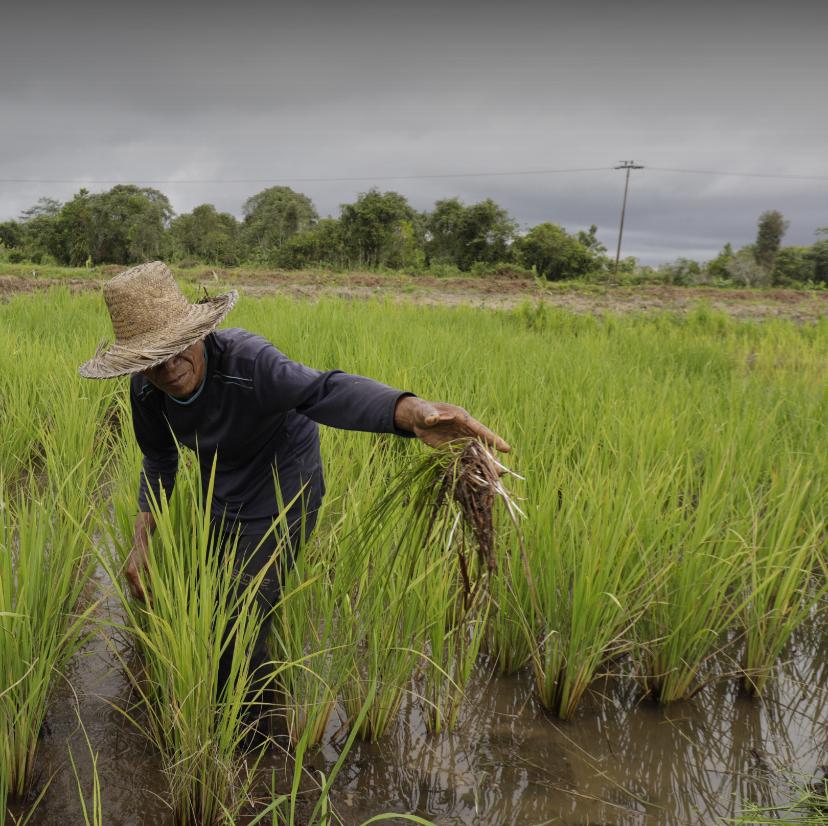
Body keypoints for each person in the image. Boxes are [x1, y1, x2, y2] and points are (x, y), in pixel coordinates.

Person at [79, 261, 509, 730]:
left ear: (196, 332)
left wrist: (411, 412)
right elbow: (159, 460)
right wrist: (142, 543)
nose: (168, 366)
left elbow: (324, 391)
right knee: (220, 584)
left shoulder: (248, 362)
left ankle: (248, 733)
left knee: (239, 617)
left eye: (177, 347)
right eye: (151, 358)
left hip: (286, 483)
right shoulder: (145, 391)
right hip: (222, 483)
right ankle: (242, 689)